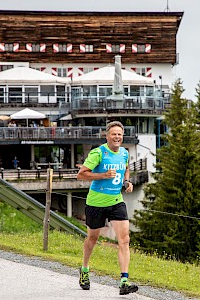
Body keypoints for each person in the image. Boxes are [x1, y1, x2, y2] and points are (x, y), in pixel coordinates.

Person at [77, 121, 138, 295]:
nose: (117, 137)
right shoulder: (99, 153)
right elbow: (81, 174)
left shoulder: (124, 153)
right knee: (92, 239)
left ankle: (124, 281)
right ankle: (85, 270)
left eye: (119, 134)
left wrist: (126, 181)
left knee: (124, 240)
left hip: (116, 201)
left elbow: (126, 169)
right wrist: (103, 175)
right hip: (96, 203)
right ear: (107, 136)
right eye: (114, 134)